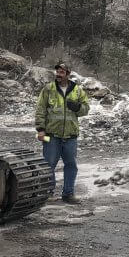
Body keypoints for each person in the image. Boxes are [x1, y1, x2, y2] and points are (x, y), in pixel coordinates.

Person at [35, 61, 90, 204]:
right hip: (51, 135)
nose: (58, 75)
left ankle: (68, 194)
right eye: (57, 72)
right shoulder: (48, 89)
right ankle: (47, 193)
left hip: (71, 136)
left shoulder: (78, 90)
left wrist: (78, 107)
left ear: (68, 74)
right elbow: (40, 110)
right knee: (48, 165)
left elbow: (86, 109)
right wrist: (40, 130)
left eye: (61, 72)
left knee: (71, 165)